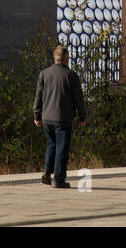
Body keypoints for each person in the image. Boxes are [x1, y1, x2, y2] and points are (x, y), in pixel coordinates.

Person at [33, 44, 87, 188]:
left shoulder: (44, 74)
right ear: (66, 59)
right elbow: (78, 99)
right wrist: (82, 117)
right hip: (62, 118)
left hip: (47, 118)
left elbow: (38, 96)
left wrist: (36, 115)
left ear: (55, 59)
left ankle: (47, 171)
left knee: (52, 144)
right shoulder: (71, 76)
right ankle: (58, 179)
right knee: (62, 148)